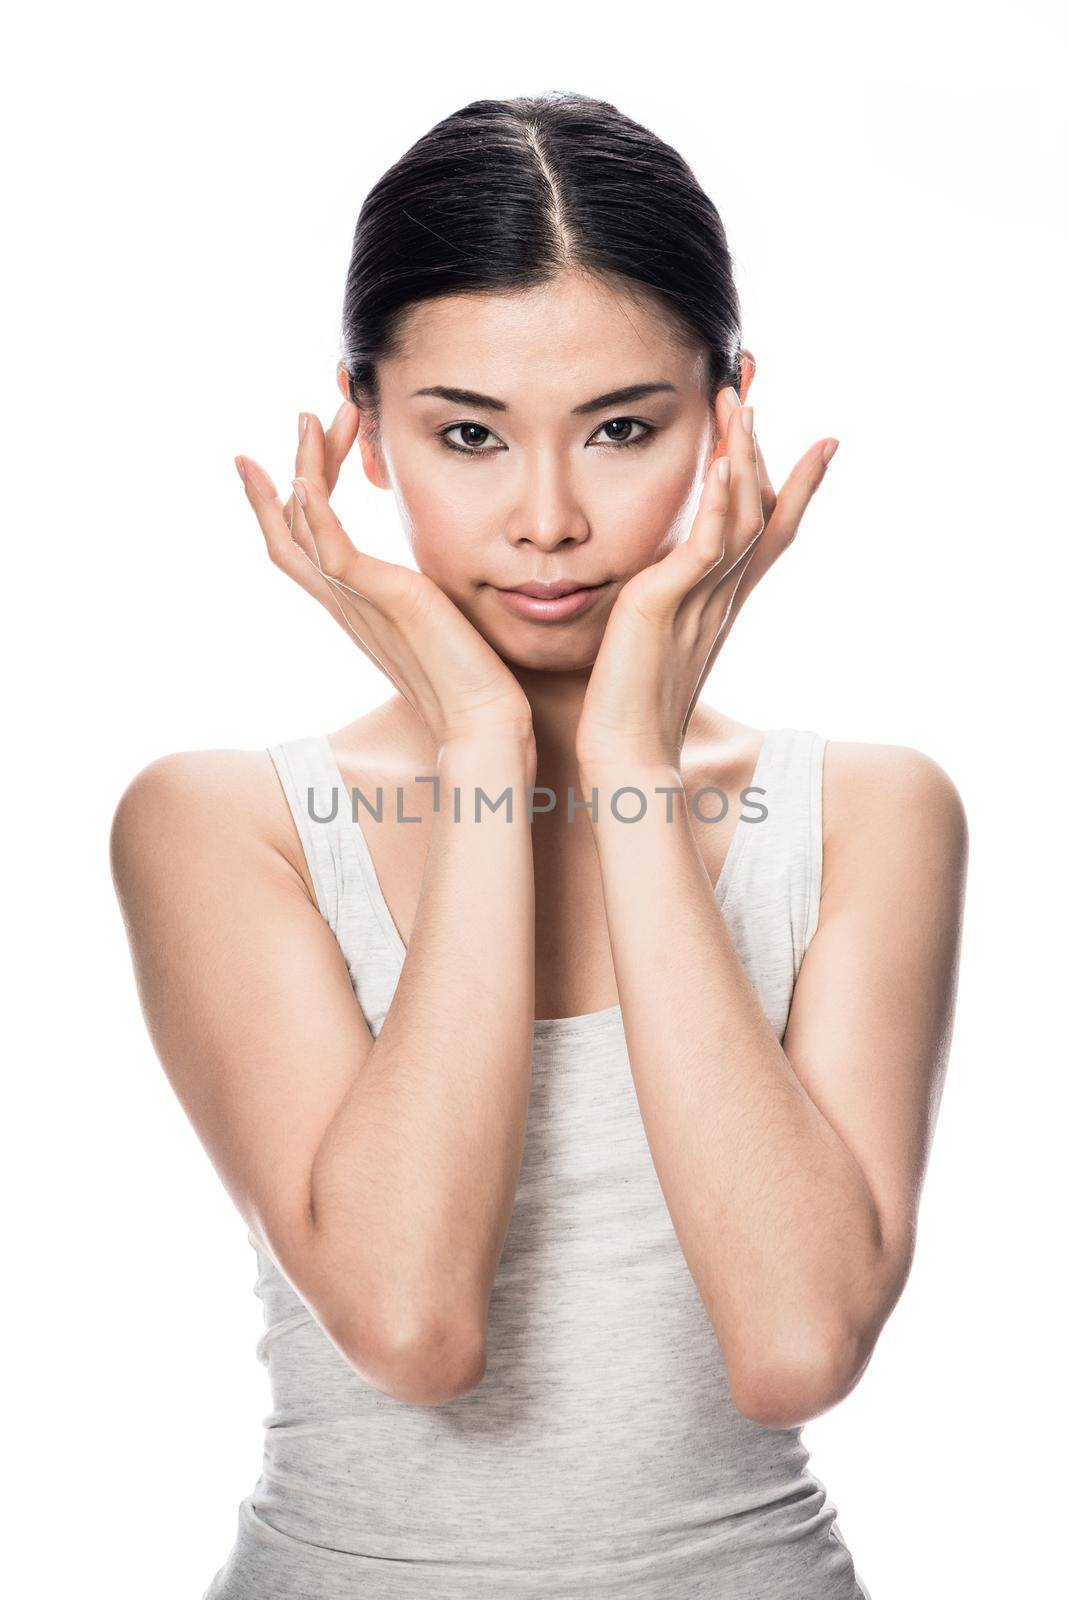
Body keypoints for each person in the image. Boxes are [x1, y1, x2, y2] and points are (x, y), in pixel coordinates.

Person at [110, 91, 968, 1599]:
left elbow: (796, 1344)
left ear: (730, 416)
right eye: (468, 437)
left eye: (625, 428)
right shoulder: (220, 823)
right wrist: (486, 748)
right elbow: (410, 1323)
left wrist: (627, 759)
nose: (550, 520)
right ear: (361, 426)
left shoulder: (867, 815)